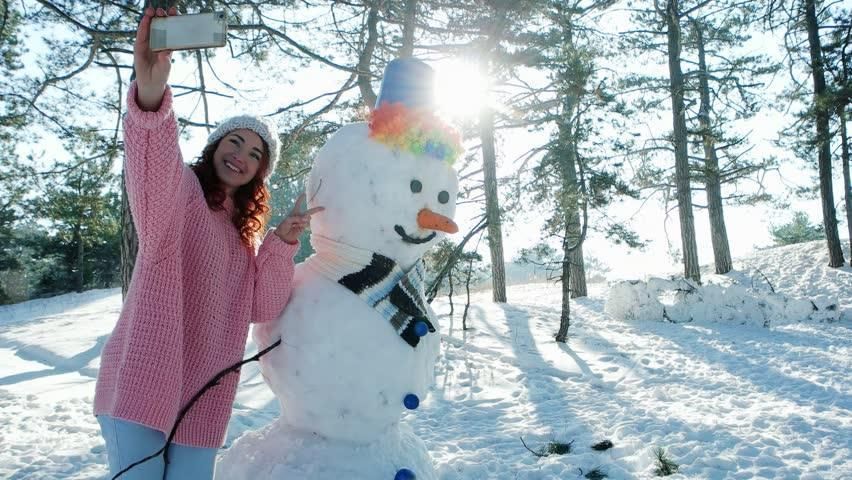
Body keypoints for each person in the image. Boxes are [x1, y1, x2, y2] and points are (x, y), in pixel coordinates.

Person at [92, 6, 322, 479]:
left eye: (256, 154)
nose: (242, 155)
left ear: (261, 173)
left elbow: (262, 304)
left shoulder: (243, 238)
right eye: (235, 142)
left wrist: (280, 242)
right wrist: (152, 93)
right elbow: (153, 160)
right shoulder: (180, 196)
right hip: (141, 385)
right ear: (215, 146)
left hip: (203, 400)